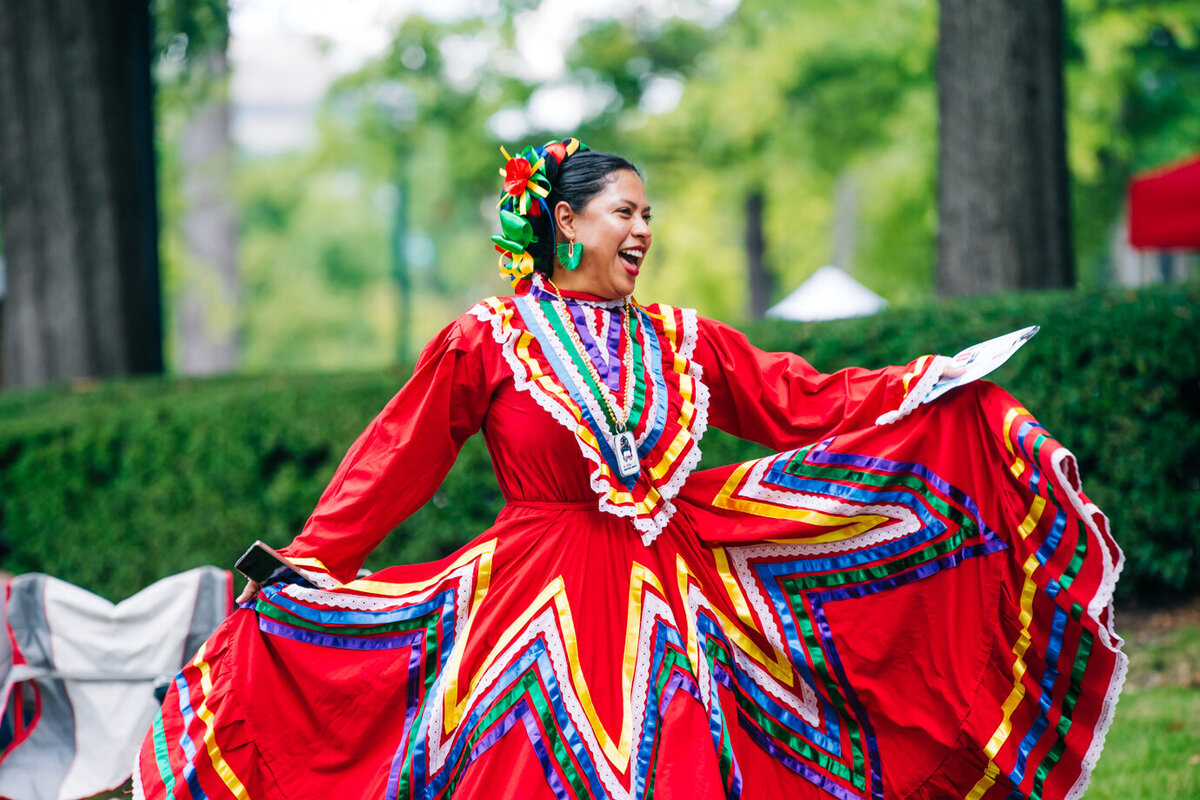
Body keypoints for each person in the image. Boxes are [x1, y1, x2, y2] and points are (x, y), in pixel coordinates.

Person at [135, 139, 1125, 800]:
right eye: (624, 211)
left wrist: (927, 385)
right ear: (566, 223)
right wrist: (315, 561)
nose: (643, 229)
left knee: (694, 758)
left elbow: (800, 399)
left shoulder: (683, 340)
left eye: (649, 214)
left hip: (684, 596)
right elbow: (396, 457)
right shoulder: (488, 337)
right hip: (531, 600)